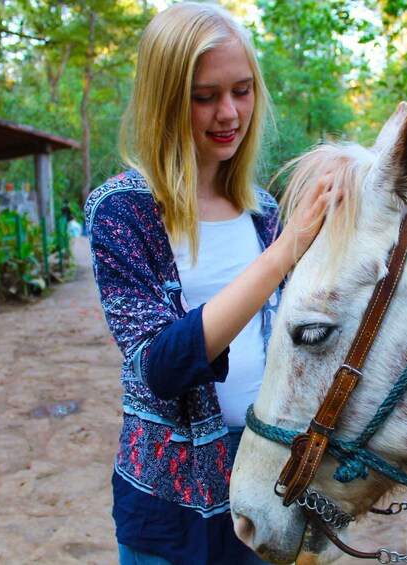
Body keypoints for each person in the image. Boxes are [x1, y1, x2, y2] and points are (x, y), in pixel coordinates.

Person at [84, 3, 332, 564]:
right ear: (166, 100)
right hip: (170, 506)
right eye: (205, 97)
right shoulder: (122, 213)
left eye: (242, 91)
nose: (229, 113)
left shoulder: (264, 212)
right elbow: (162, 367)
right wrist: (285, 250)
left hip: (267, 485)